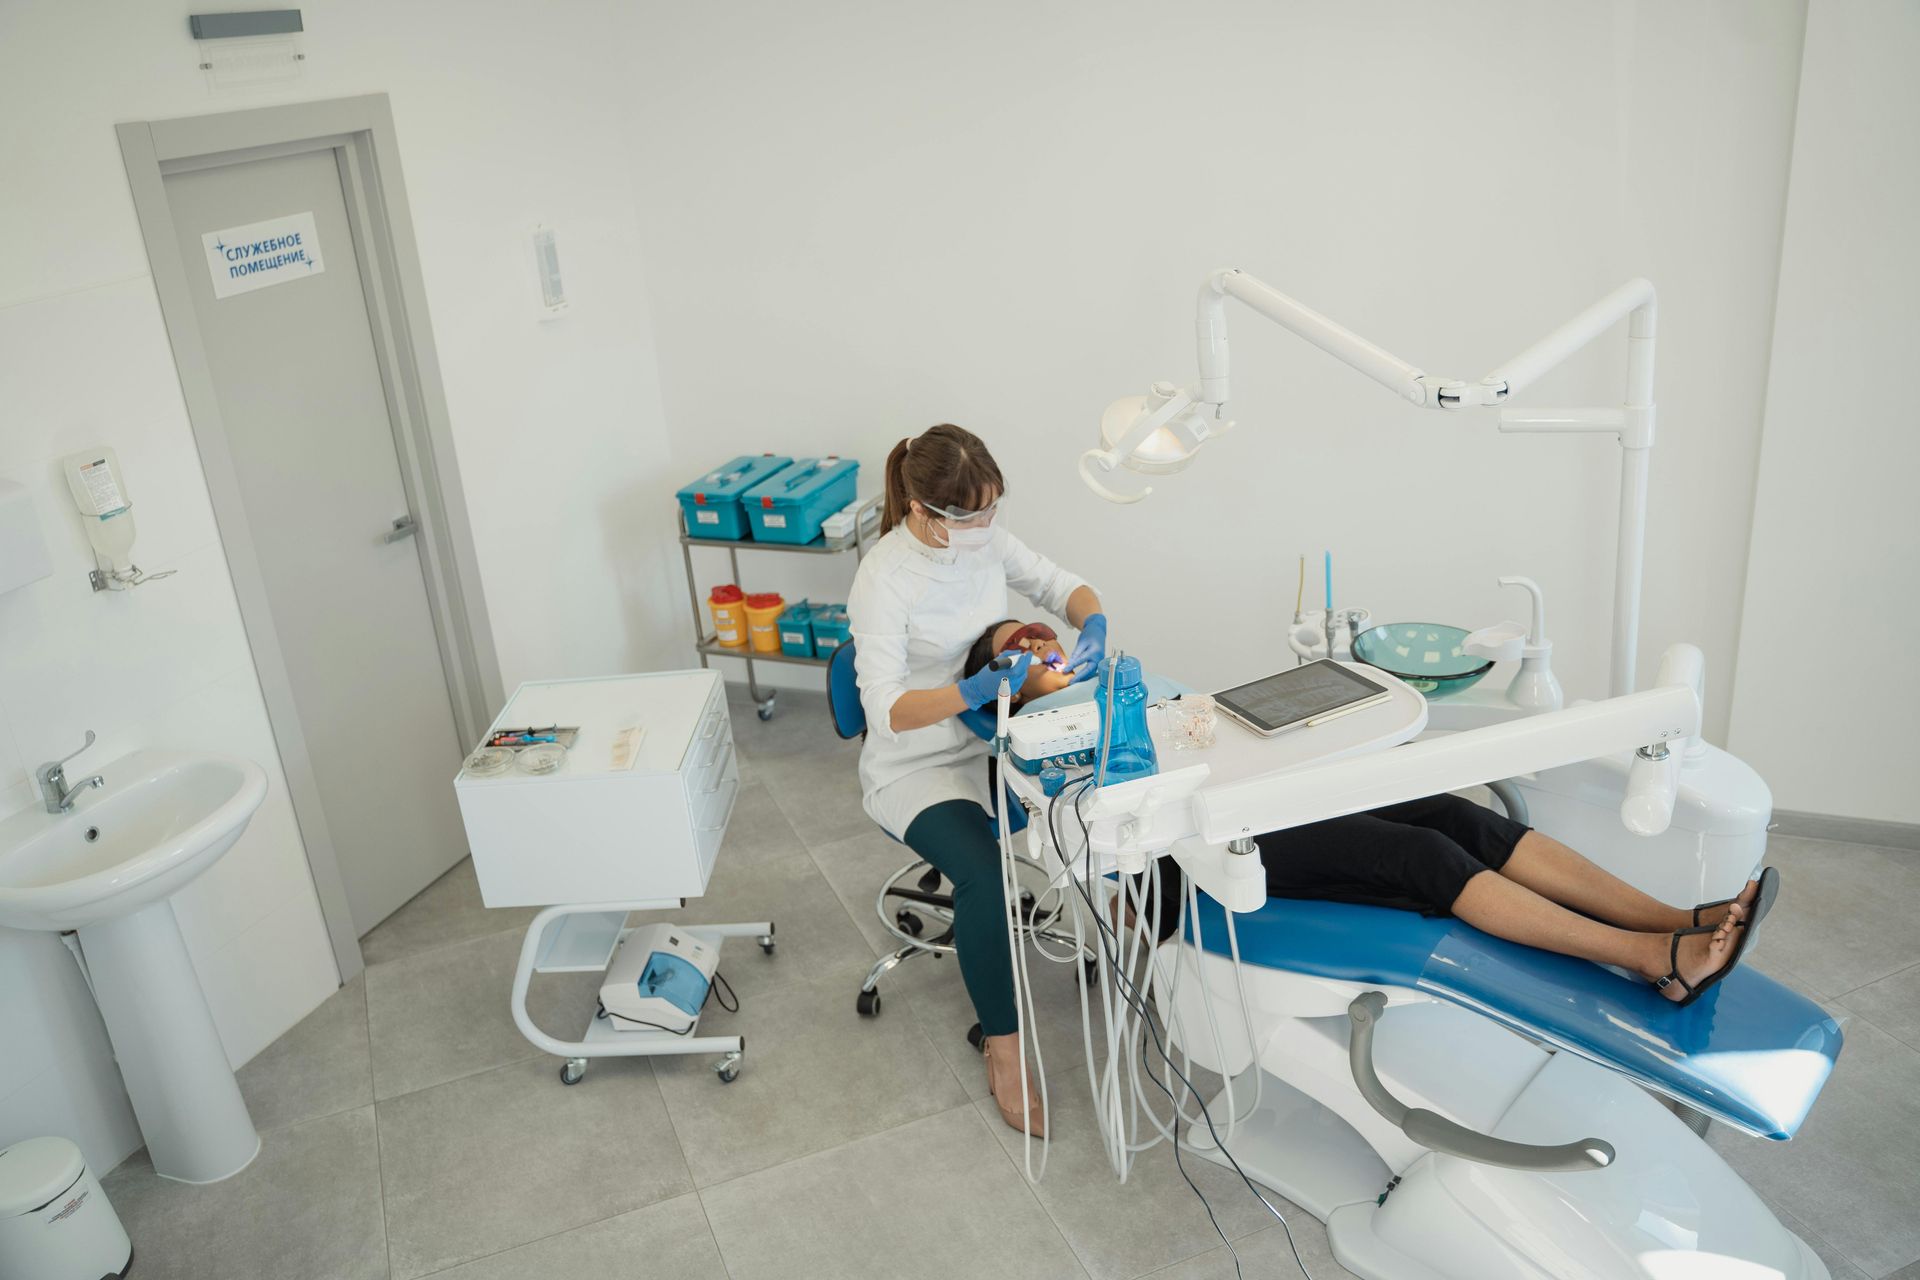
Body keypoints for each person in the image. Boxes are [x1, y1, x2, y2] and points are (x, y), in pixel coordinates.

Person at [955, 624, 1774, 1007]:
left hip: (1263, 789)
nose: (1038, 642)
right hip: (1210, 848)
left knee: (1455, 814)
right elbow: (1091, 848)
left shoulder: (1129, 678)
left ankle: (1676, 917)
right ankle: (1650, 956)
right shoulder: (1033, 743)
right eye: (1014, 651)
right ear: (999, 686)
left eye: (1039, 631)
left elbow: (1213, 723)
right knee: (1419, 855)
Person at [847, 424, 1108, 1135]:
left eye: (994, 509)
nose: (988, 526)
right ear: (924, 510)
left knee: (1105, 791)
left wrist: (1095, 625)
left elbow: (1061, 585)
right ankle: (1004, 1048)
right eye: (973, 514)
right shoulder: (884, 580)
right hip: (916, 766)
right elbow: (888, 711)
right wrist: (970, 692)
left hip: (994, 741)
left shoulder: (985, 539)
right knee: (988, 878)